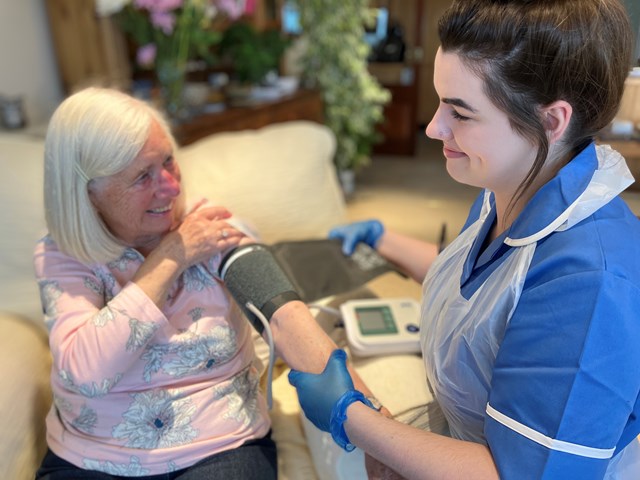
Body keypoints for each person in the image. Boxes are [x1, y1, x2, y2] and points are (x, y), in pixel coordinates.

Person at [285, 0, 640, 478]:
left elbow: (519, 473)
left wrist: (352, 416)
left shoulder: (589, 283)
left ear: (551, 122)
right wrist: (384, 238)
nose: (434, 128)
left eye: (461, 113)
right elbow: (486, 289)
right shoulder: (510, 184)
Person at [33, 87, 375, 479]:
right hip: (89, 456)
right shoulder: (62, 254)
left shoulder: (212, 230)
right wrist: (171, 257)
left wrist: (375, 428)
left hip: (218, 449)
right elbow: (88, 373)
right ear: (89, 194)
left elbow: (287, 320)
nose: (172, 187)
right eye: (143, 177)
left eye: (168, 162)